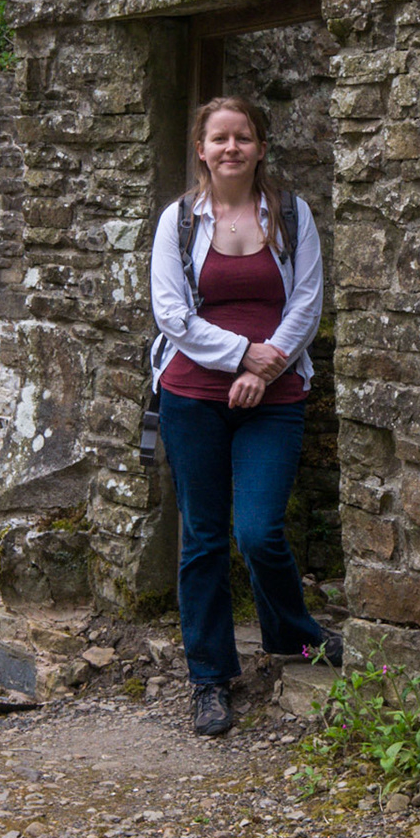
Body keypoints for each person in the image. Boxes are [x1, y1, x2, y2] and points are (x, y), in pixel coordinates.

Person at [148, 96, 340, 737]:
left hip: (275, 396)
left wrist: (265, 368)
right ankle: (209, 679)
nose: (231, 148)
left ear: (260, 147)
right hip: (191, 396)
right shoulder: (178, 220)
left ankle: (292, 633)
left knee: (258, 531)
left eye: (244, 137)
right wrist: (239, 356)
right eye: (219, 138)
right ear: (201, 150)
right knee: (204, 539)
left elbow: (307, 301)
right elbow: (171, 313)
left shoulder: (291, 215)